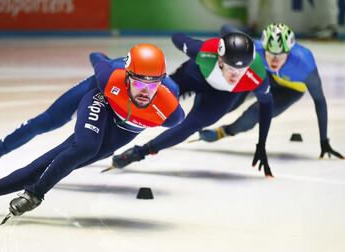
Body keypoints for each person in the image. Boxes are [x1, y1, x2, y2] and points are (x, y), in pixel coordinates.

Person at [0, 44, 185, 220]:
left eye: (152, 84)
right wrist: (100, 55)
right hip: (102, 96)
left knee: (62, 161)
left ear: (161, 82)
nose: (145, 90)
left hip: (123, 126)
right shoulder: (110, 77)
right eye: (139, 82)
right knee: (47, 122)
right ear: (129, 77)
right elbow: (97, 58)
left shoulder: (171, 112)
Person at [109, 31, 274, 177]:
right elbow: (177, 37)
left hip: (223, 96)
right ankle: (110, 126)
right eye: (231, 68)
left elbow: (266, 108)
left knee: (190, 126)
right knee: (152, 100)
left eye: (242, 69)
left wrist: (262, 144)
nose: (235, 75)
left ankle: (139, 152)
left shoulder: (258, 76)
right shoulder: (204, 52)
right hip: (195, 74)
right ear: (220, 59)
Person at [199, 23, 344, 160]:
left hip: (291, 89)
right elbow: (225, 29)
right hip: (267, 77)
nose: (274, 60)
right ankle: (198, 119)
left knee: (256, 113)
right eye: (270, 54)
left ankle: (223, 132)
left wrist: (324, 141)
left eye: (280, 55)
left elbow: (319, 101)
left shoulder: (304, 65)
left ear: (289, 52)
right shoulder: (255, 48)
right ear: (264, 47)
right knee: (231, 100)